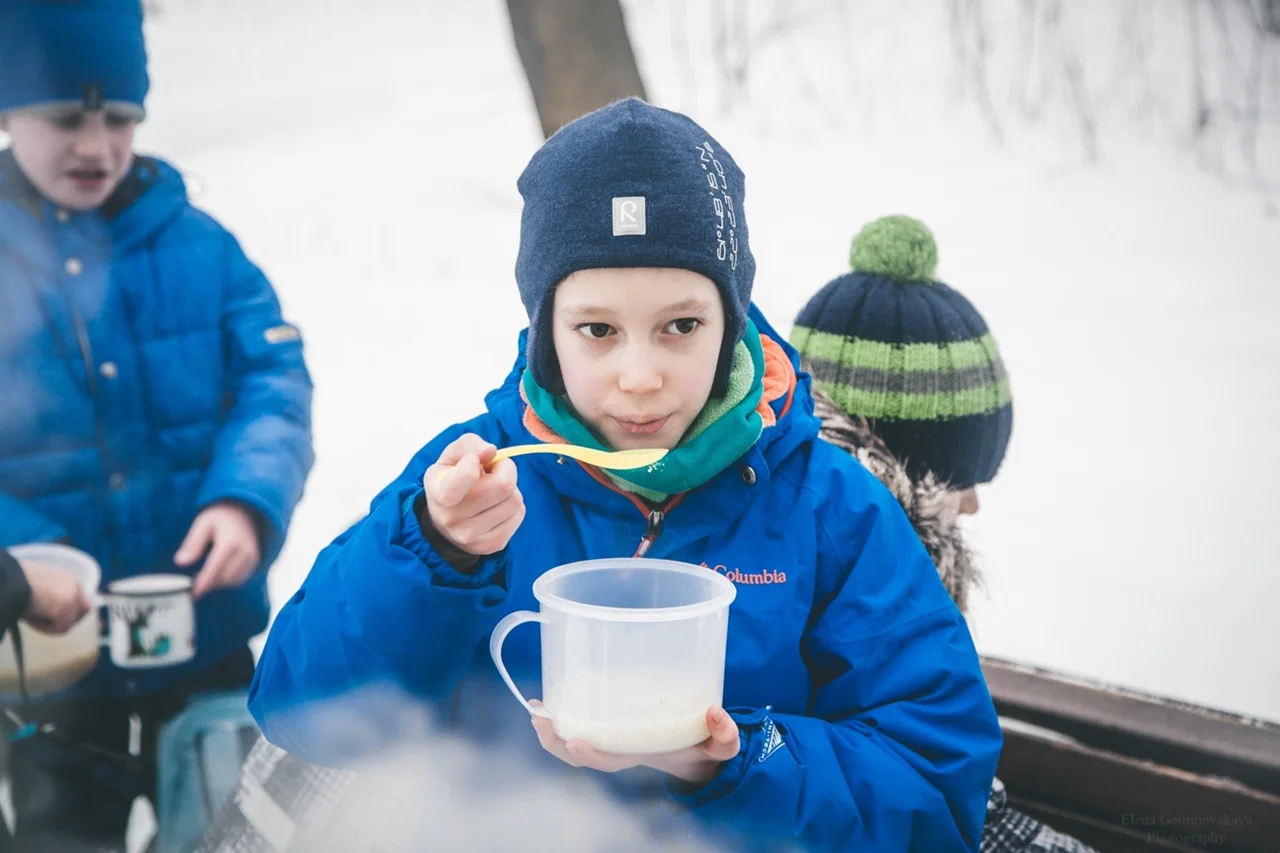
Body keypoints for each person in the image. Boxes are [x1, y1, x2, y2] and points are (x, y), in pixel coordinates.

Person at [248, 98, 1000, 852]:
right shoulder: (473, 480)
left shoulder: (827, 506)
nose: (639, 377)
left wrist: (736, 761)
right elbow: (301, 709)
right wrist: (432, 553)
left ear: (731, 322)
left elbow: (938, 790)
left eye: (681, 325)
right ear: (548, 333)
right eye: (597, 330)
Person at [0, 1, 314, 849]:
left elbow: (273, 379)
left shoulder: (202, 246)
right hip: (49, 664)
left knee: (226, 830)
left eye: (121, 118)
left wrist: (245, 500)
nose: (97, 146)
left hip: (206, 639)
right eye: (67, 117)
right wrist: (24, 561)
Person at [793, 214, 1096, 853]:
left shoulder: (808, 536)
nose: (976, 505)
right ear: (905, 475)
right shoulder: (864, 584)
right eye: (962, 479)